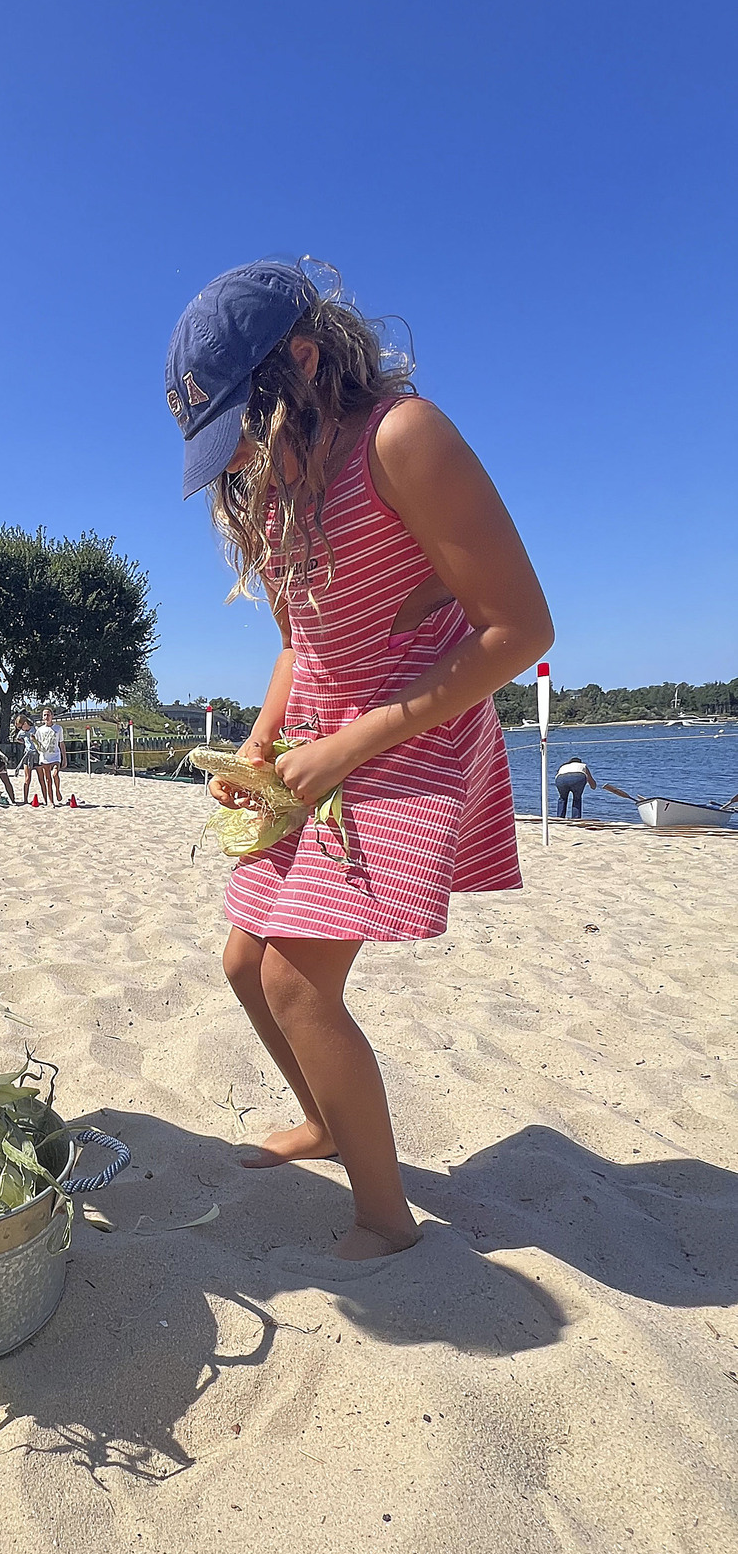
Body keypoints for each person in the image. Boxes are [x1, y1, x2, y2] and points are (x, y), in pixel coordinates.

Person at [167, 260, 552, 1258]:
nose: (244, 454)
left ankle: (386, 1218)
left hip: (411, 727)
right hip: (322, 735)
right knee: (245, 962)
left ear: (301, 359)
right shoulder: (278, 486)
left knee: (298, 980)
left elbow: (518, 627)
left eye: (248, 423)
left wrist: (350, 742)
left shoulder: (401, 438)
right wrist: (262, 739)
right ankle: (331, 1123)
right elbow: (304, 641)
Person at [35, 707, 65, 805]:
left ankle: (57, 790)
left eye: (48, 715)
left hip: (56, 755)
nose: (46, 717)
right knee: (48, 779)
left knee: (55, 774)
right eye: (44, 715)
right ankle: (51, 801)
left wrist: (64, 758)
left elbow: (61, 743)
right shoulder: (40, 730)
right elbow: (37, 744)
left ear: (52, 716)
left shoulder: (58, 728)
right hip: (45, 757)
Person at [555, 754, 596, 819]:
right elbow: (590, 779)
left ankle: (560, 817)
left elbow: (557, 774)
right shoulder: (583, 765)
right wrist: (593, 786)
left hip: (560, 778)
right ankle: (576, 818)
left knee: (562, 798)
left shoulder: (563, 766)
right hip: (578, 777)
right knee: (577, 798)